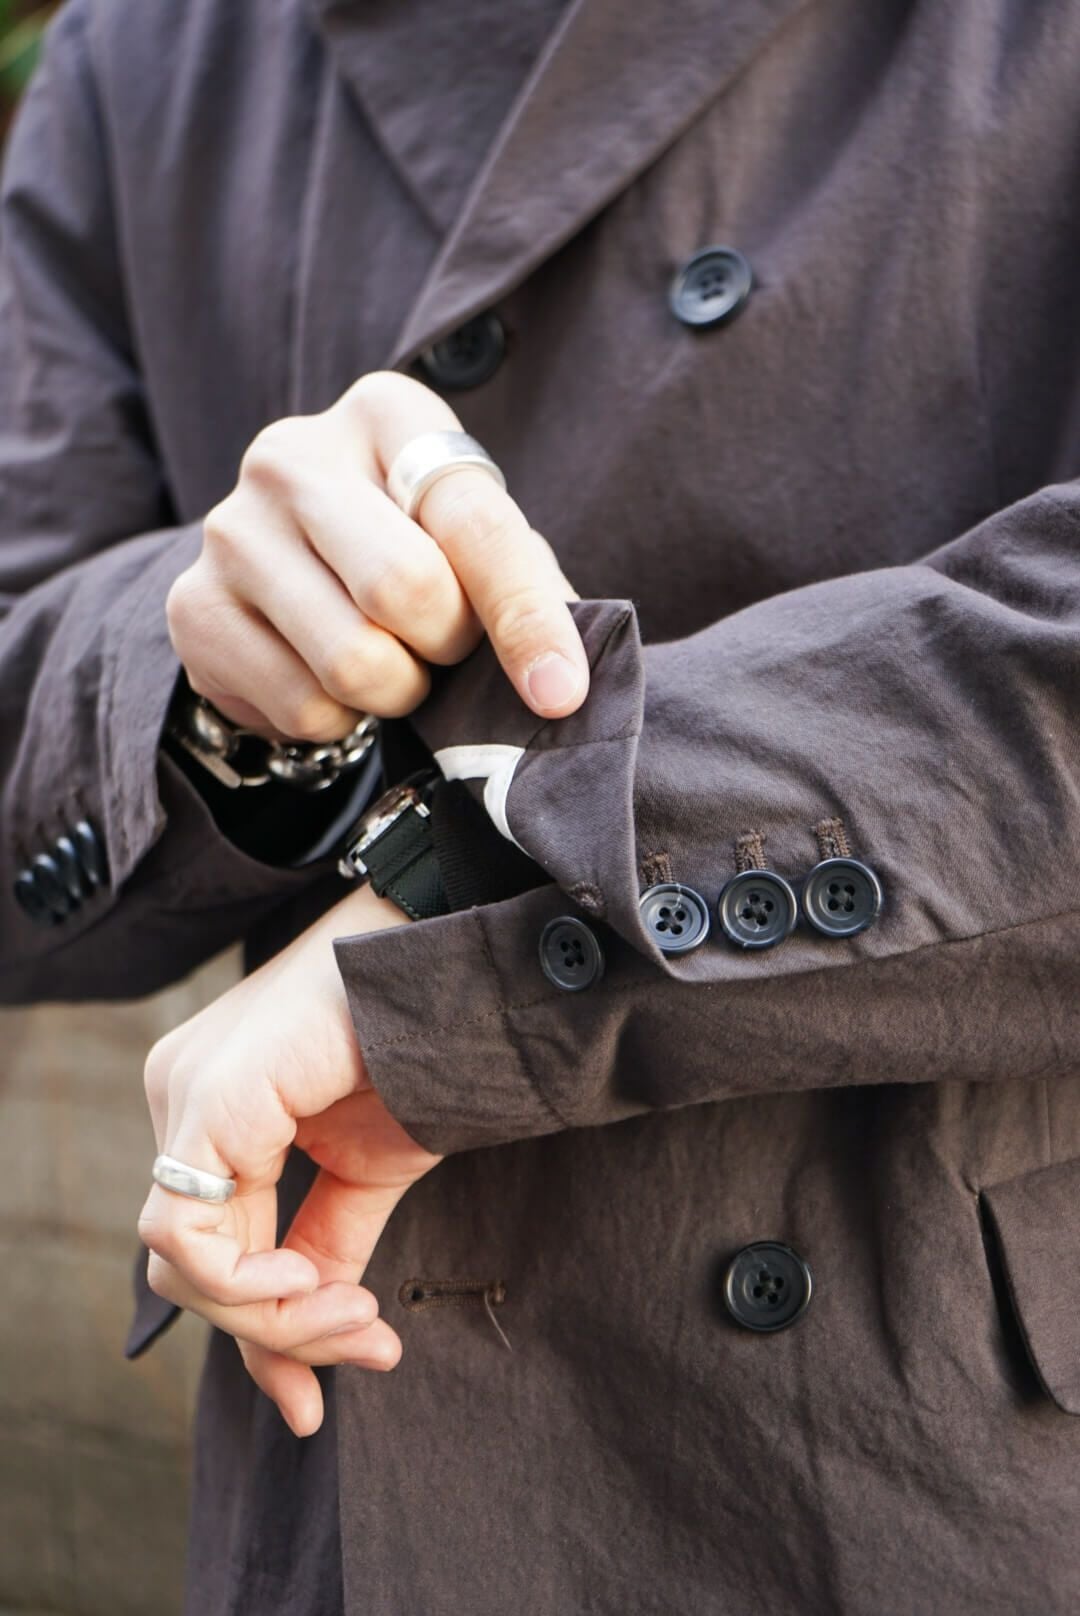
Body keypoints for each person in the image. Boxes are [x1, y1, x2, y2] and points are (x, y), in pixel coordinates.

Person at [2, 0, 1080, 1611]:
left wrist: (472, 897)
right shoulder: (154, 48)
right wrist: (216, 683)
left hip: (917, 1469)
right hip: (365, 1469)